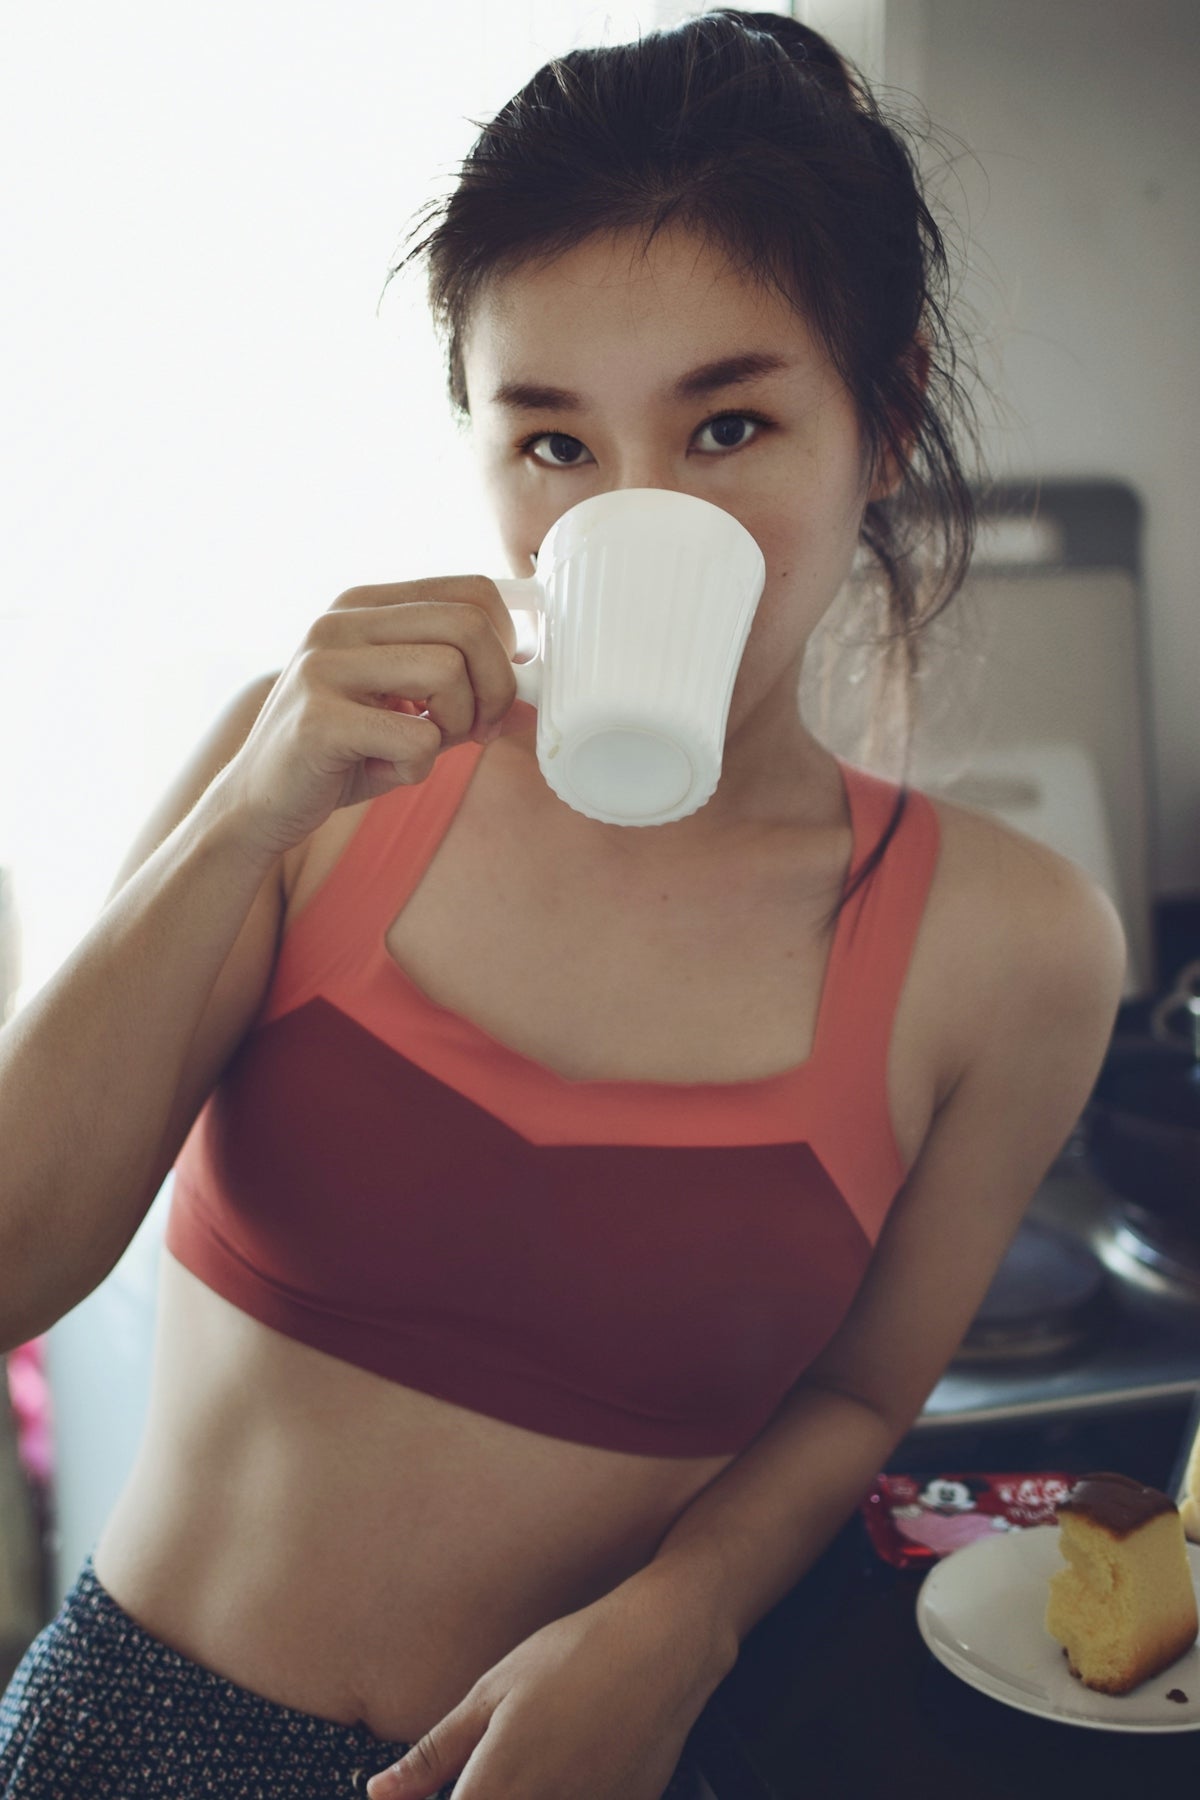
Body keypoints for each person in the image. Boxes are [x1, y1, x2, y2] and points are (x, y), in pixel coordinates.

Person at [0, 11, 1124, 1799]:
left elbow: (851, 1403)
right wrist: (236, 823)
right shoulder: (309, 780)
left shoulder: (1015, 948)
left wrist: (678, 1619)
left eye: (730, 421)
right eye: (553, 446)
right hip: (141, 1736)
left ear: (884, 421)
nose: (634, 511)